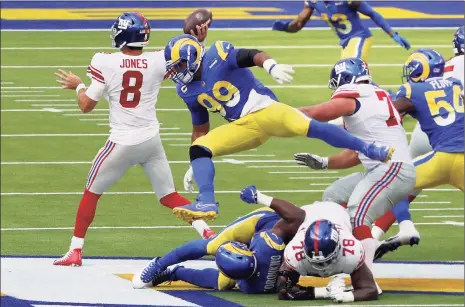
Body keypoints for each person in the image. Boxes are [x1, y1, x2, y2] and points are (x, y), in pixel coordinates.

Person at [163, 34, 393, 223]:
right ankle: (207, 201)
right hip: (244, 127)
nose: (178, 71)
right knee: (199, 148)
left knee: (310, 127)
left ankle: (370, 148)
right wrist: (198, 163)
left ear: (192, 56)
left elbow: (251, 55)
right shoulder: (187, 90)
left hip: (265, 110)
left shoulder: (218, 54)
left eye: (180, 64)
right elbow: (200, 127)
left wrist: (271, 65)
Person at [52, 12, 213, 267]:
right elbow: (190, 64)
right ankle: (208, 233)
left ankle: (75, 250)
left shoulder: (105, 62)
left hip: (122, 143)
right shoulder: (158, 60)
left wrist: (79, 85)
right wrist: (200, 43)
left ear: (122, 35)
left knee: (91, 192)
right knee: (169, 196)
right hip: (151, 140)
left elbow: (85, 105)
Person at [294, 57, 415, 272]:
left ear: (345, 78)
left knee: (358, 214)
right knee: (333, 196)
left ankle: (364, 275)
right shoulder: (374, 97)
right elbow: (355, 154)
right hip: (383, 169)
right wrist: (323, 163)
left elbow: (319, 113)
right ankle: (339, 249)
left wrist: (280, 114)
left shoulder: (357, 94)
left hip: (393, 168)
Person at [371, 26, 465, 241]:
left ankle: (378, 233)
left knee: (402, 182)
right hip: (457, 135)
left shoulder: (447, 66)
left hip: (428, 130)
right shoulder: (454, 80)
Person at [132, 185, 306, 294]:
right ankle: (160, 265)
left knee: (220, 279)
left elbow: (296, 217)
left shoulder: (253, 283)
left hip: (268, 226)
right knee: (213, 248)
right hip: (262, 230)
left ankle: (173, 271)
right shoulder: (269, 245)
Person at [242, 187, 379, 303]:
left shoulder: (351, 251)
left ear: (339, 247)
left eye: (326, 261)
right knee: (270, 247)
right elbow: (283, 289)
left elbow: (370, 289)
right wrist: (324, 292)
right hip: (306, 214)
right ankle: (251, 244)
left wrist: (348, 296)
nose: (322, 266)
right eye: (318, 262)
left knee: (360, 223)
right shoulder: (294, 251)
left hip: (337, 211)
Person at [272, 1, 410, 60]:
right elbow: (299, 23)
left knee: (353, 73)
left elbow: (372, 13)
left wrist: (393, 34)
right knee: (348, 78)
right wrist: (285, 27)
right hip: (346, 42)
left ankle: (388, 102)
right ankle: (388, 100)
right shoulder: (314, 2)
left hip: (360, 37)